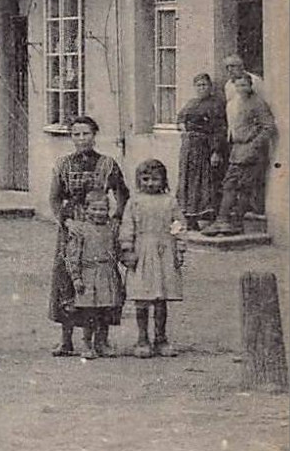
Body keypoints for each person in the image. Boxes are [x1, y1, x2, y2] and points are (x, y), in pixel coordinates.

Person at [48, 115, 129, 357]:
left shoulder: (108, 164)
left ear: (95, 135)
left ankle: (101, 340)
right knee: (67, 280)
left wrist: (115, 219)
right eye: (76, 134)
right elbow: (54, 199)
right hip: (72, 227)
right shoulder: (63, 164)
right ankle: (66, 340)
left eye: (86, 134)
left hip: (101, 227)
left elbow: (122, 194)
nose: (81, 139)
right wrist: (66, 220)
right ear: (71, 137)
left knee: (102, 281)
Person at [118, 159, 186, 358]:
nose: (150, 183)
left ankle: (161, 338)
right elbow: (127, 226)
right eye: (145, 179)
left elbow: (178, 225)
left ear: (163, 180)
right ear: (139, 180)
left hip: (164, 252)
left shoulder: (170, 201)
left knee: (160, 298)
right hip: (142, 252)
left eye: (155, 179)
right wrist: (127, 249)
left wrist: (180, 247)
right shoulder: (134, 202)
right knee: (142, 298)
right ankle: (142, 338)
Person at [206, 73, 278, 236]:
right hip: (237, 149)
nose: (241, 89)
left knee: (241, 186)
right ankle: (223, 221)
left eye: (244, 85)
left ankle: (233, 222)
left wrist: (253, 144)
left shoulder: (257, 103)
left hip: (251, 151)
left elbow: (269, 127)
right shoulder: (234, 102)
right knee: (230, 184)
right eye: (238, 86)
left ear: (251, 86)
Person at [64, 189, 125, 359]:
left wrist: (128, 261)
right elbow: (72, 255)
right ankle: (86, 343)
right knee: (89, 312)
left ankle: (102, 342)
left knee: (105, 311)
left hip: (107, 274)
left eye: (103, 209)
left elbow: (118, 251)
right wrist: (76, 277)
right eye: (94, 209)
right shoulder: (80, 230)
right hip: (88, 274)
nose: (99, 213)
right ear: (86, 210)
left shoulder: (112, 229)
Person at [175, 73, 227, 230]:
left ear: (210, 87)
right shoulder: (191, 103)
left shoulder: (215, 104)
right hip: (188, 148)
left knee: (201, 181)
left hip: (204, 147)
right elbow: (180, 119)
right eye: (198, 85)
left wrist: (216, 151)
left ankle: (202, 216)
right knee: (187, 180)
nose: (201, 88)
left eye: (204, 85)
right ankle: (188, 218)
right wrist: (182, 127)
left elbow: (219, 129)